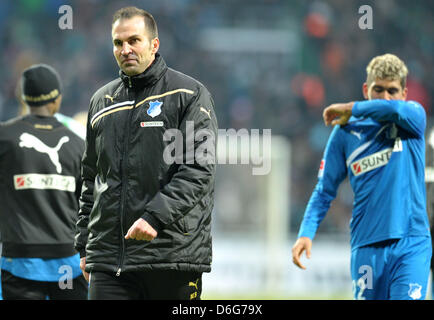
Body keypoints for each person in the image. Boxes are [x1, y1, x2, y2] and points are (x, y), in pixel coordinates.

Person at [75, 6, 217, 300]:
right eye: (118, 42)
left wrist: (154, 218)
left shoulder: (189, 94)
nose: (125, 49)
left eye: (134, 40)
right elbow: (91, 178)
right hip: (109, 261)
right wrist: (85, 244)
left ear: (154, 45)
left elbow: (197, 170)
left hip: (171, 256)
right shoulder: (101, 102)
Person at [292, 53, 432, 300]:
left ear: (404, 94)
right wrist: (306, 231)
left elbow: (392, 109)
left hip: (411, 244)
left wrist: (351, 107)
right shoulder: (346, 132)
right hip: (366, 246)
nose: (385, 97)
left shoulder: (413, 118)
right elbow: (325, 189)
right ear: (366, 89)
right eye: (378, 89)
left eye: (392, 91)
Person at [0, 64, 88, 299]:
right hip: (68, 262)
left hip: (19, 260)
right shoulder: (78, 144)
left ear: (24, 97)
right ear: (57, 99)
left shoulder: (4, 138)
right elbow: (90, 203)